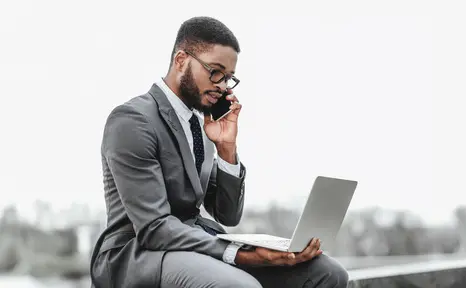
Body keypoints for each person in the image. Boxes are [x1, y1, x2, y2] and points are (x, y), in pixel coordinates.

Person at [89, 16, 349, 288]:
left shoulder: (201, 125)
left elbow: (227, 215)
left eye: (228, 78)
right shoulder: (133, 120)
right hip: (137, 254)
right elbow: (154, 228)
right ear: (181, 60)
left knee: (328, 274)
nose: (223, 85)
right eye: (215, 72)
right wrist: (240, 254)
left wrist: (226, 148)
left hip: (193, 247)